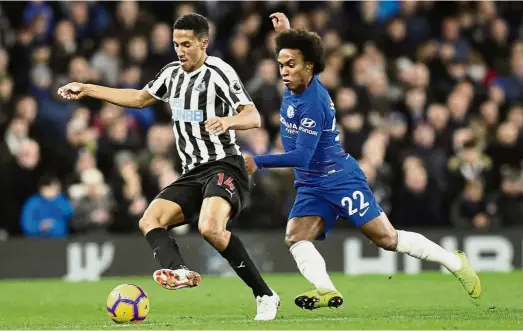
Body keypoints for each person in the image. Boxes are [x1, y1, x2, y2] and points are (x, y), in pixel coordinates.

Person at [244, 12, 481, 311]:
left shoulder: (313, 102)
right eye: (281, 65)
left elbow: (302, 156)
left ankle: (454, 262)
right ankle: (326, 290)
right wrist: (288, 33)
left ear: (309, 66)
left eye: (290, 65)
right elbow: (301, 52)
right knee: (295, 236)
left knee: (387, 238)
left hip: (338, 178)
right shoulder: (300, 79)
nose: (284, 71)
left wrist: (259, 161)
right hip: (312, 183)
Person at [58, 13, 279, 320]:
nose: (180, 50)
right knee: (150, 220)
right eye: (176, 44)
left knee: (209, 228)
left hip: (224, 165)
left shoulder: (218, 72)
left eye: (186, 44)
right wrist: (88, 88)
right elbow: (138, 98)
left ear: (204, 43)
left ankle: (265, 296)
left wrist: (227, 120)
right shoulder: (171, 74)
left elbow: (253, 116)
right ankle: (178, 271)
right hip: (192, 172)